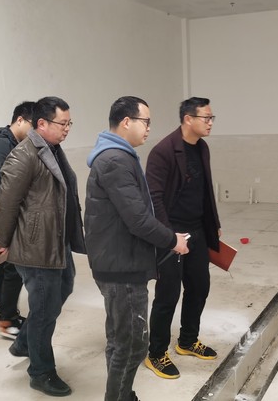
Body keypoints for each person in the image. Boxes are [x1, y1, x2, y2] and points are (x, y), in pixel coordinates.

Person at [85, 96, 190, 401]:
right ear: (126, 122)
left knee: (120, 341)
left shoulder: (117, 156)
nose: (149, 128)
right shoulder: (115, 160)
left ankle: (123, 394)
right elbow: (139, 220)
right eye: (146, 122)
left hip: (118, 260)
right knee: (132, 345)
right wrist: (173, 240)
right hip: (122, 267)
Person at [0, 96, 86, 397]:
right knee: (45, 310)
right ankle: (41, 372)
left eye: (70, 123)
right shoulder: (24, 155)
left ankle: (24, 343)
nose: (67, 129)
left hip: (57, 242)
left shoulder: (53, 149)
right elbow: (6, 204)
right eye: (63, 123)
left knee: (63, 289)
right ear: (42, 123)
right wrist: (3, 242)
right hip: (36, 246)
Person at [145, 97, 221, 379]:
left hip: (197, 229)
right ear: (188, 119)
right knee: (168, 295)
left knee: (199, 287)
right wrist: (169, 236)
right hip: (172, 233)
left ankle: (187, 340)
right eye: (206, 118)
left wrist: (213, 224)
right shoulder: (163, 151)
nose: (210, 123)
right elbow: (154, 198)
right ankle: (156, 353)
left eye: (212, 118)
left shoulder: (202, 147)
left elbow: (205, 190)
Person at [0, 101, 35, 339]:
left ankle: (7, 315)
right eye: (33, 125)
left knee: (5, 266)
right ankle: (6, 320)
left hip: (6, 215)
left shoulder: (13, 143)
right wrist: (4, 224)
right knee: (11, 267)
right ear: (20, 120)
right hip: (0, 217)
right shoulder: (0, 144)